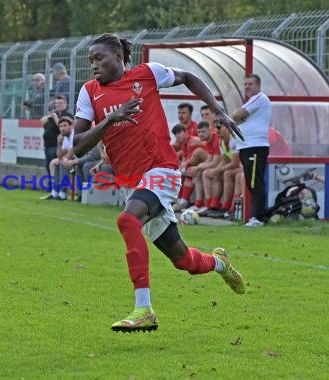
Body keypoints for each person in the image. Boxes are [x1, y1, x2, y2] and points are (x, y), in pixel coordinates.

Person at [72, 33, 246, 333]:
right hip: (132, 182)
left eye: (99, 58)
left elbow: (189, 77)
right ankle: (220, 263)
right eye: (91, 60)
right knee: (184, 260)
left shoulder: (147, 74)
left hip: (161, 170)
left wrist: (218, 111)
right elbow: (77, 145)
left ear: (118, 56)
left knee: (128, 221)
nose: (94, 65)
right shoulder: (89, 92)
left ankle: (144, 310)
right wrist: (110, 121)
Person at [231, 74, 271, 227]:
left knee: (255, 182)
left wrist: (240, 118)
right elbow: (238, 117)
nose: (247, 86)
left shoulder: (259, 98)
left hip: (255, 146)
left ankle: (257, 218)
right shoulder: (252, 101)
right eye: (245, 84)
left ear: (258, 85)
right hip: (247, 146)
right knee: (251, 181)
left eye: (250, 84)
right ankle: (256, 217)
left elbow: (235, 115)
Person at [40, 95, 71, 193]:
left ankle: (58, 190)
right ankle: (51, 189)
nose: (58, 105)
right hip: (47, 145)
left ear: (66, 104)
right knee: (48, 168)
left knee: (56, 168)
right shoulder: (53, 115)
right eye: (56, 103)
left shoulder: (67, 116)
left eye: (60, 103)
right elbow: (42, 121)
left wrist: (56, 118)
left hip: (57, 146)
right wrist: (51, 116)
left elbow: (63, 128)